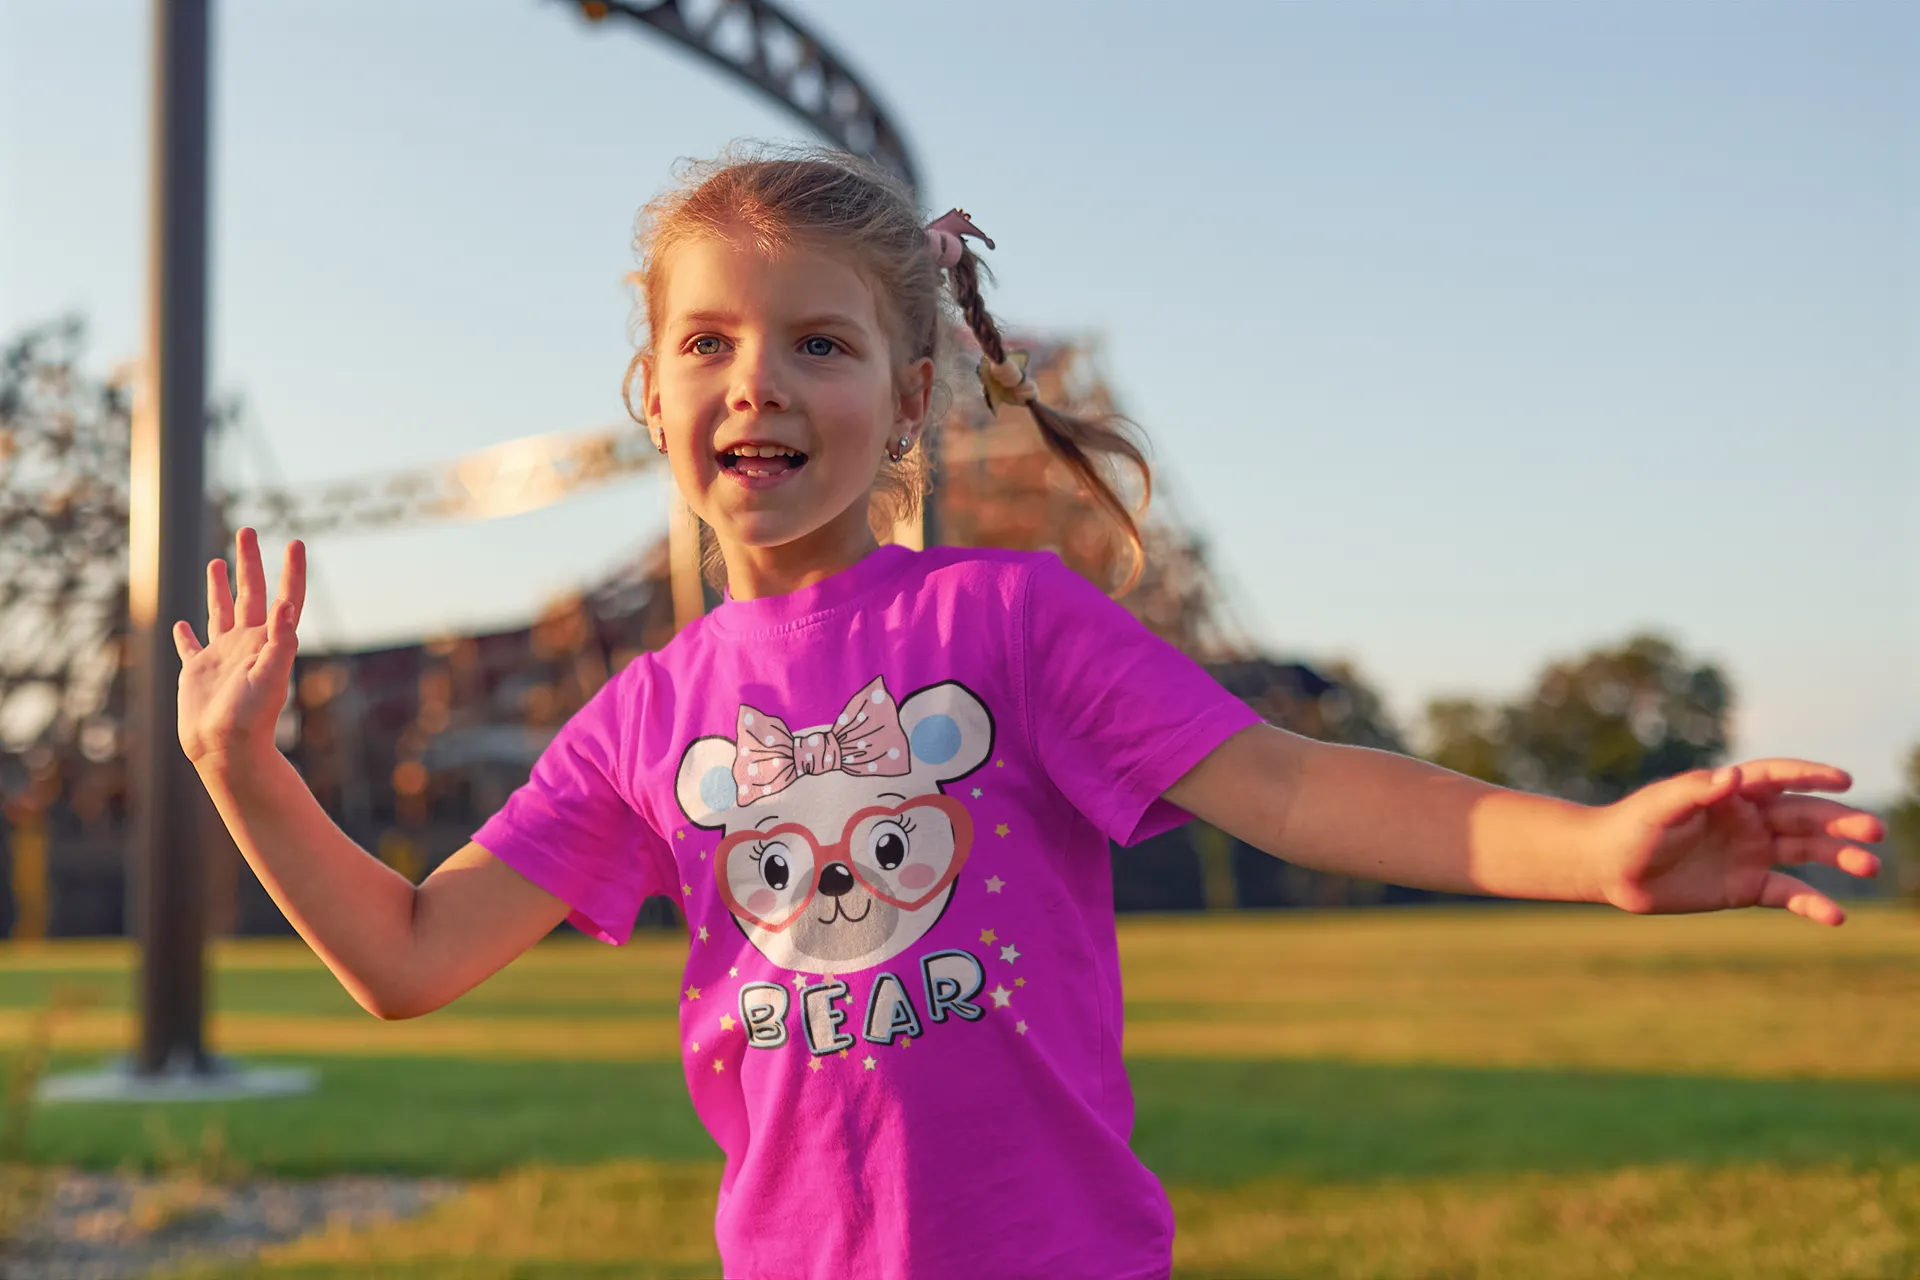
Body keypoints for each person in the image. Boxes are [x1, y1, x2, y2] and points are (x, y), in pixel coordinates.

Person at [173, 146, 1885, 1280]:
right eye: (709, 343)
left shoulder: (1005, 624)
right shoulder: (643, 719)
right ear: (655, 392)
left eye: (819, 346)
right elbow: (402, 958)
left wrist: (1591, 848)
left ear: (909, 397)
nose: (758, 379)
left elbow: (1296, 788)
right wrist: (241, 769)